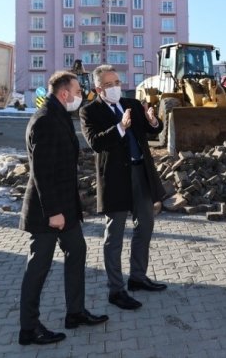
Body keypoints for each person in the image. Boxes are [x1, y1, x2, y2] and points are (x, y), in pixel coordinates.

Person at [18, 71, 108, 346]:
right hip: (49, 211)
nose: (81, 95)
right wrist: (54, 212)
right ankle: (29, 329)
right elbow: (42, 173)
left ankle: (75, 313)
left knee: (77, 250)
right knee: (39, 268)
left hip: (65, 209)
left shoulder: (59, 116)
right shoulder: (45, 120)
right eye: (78, 90)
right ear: (64, 93)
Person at [80, 64, 167, 311]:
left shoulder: (132, 103)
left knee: (146, 225)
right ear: (99, 88)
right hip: (116, 178)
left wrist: (153, 121)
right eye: (110, 84)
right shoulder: (90, 112)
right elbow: (96, 143)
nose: (116, 87)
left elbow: (152, 131)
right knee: (114, 234)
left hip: (141, 172)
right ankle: (116, 290)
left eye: (117, 82)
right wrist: (120, 127)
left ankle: (137, 278)